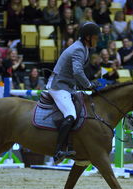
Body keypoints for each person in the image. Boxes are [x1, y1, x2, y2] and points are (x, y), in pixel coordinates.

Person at [46, 22, 102, 164]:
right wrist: (88, 85)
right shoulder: (79, 49)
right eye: (95, 37)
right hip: (59, 86)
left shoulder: (84, 47)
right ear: (87, 37)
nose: (97, 40)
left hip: (68, 86)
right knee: (70, 115)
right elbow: (77, 71)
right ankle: (58, 151)